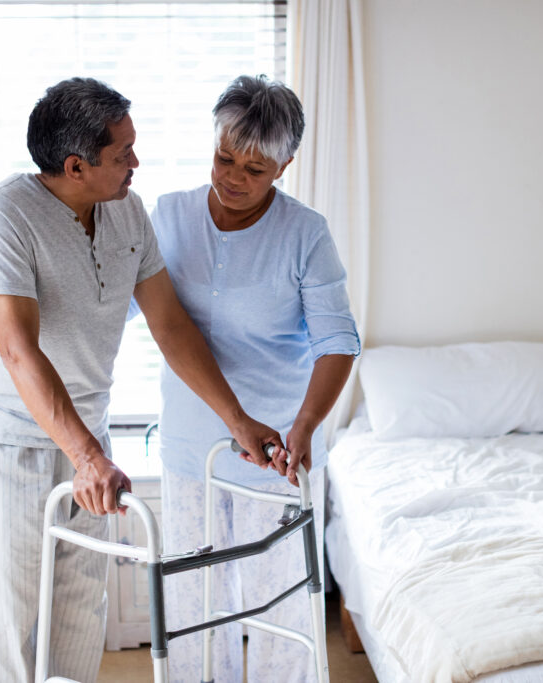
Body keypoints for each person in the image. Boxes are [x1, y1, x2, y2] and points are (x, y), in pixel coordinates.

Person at [0, 77, 283, 683]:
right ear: (76, 166)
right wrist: (84, 457)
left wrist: (237, 421)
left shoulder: (126, 210)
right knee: (6, 619)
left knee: (81, 607)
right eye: (123, 153)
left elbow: (171, 326)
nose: (137, 161)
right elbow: (16, 349)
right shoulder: (3, 215)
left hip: (90, 440)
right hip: (12, 440)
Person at [148, 74, 360, 682]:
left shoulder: (305, 234)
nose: (234, 177)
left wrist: (306, 425)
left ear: (286, 164)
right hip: (190, 446)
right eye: (224, 157)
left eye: (256, 168)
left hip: (273, 452)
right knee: (192, 608)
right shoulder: (168, 216)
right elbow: (133, 312)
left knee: (279, 608)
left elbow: (337, 341)